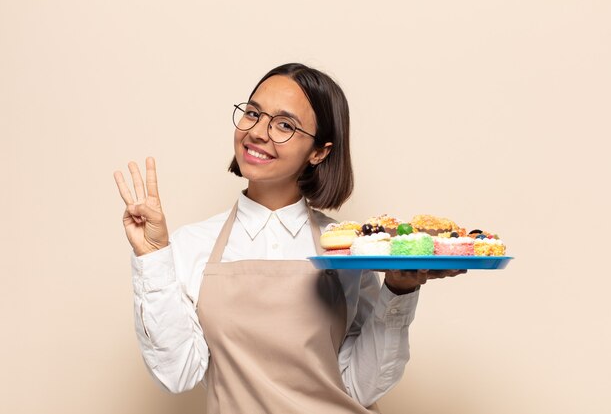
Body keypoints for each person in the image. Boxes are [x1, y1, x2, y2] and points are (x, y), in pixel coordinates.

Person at [113, 63, 465, 413]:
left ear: (319, 152)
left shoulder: (344, 246)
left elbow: (361, 386)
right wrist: (152, 255)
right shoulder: (192, 245)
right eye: (253, 113)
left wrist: (399, 290)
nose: (258, 132)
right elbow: (177, 375)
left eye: (284, 125)